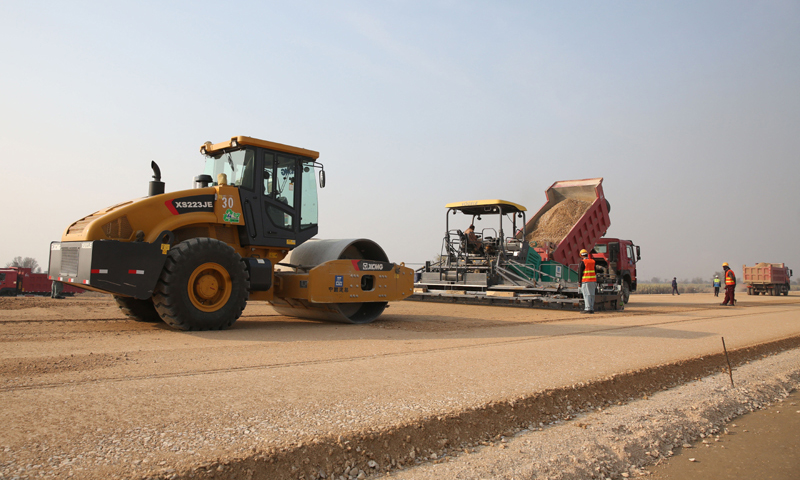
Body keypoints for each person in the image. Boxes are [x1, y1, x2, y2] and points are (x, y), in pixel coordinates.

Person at [577, 249, 596, 314]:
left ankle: (587, 308)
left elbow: (580, 273)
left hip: (585, 281)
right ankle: (591, 308)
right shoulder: (593, 261)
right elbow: (595, 271)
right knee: (592, 294)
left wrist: (579, 282)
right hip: (593, 281)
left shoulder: (582, 262)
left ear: (581, 255)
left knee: (586, 294)